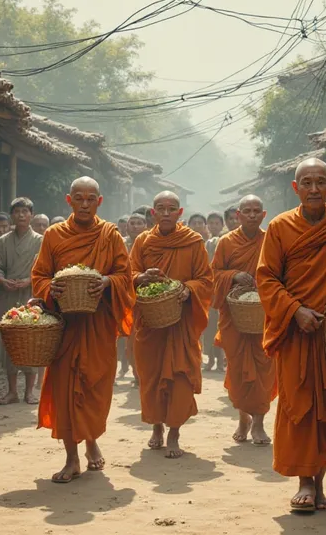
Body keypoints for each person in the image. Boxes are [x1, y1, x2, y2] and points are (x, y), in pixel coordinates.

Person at [256, 158, 326, 512]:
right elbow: (267, 278)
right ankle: (304, 482)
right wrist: (294, 311)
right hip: (297, 334)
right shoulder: (279, 227)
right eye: (306, 183)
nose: (314, 189)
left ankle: (319, 482)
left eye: (320, 182)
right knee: (299, 407)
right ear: (295, 189)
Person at [31, 177, 134, 483]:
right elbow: (39, 276)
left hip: (97, 325)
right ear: (69, 200)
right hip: (65, 326)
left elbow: (124, 276)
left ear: (99, 202)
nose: (85, 204)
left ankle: (91, 441)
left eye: (91, 199)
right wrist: (51, 286)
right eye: (80, 198)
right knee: (64, 391)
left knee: (94, 388)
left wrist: (106, 282)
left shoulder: (110, 234)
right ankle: (71, 458)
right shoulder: (53, 235)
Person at [130, 191, 213, 458]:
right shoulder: (143, 241)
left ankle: (174, 433)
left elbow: (205, 279)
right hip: (151, 323)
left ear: (180, 213)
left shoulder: (193, 242)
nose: (166, 213)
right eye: (160, 209)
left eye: (171, 209)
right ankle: (156, 427)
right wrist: (141, 277)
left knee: (180, 377)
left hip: (181, 323)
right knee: (151, 376)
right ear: (152, 214)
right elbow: (128, 274)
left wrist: (188, 289)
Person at [212, 194, 276, 445]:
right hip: (235, 317)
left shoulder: (271, 239)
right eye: (246, 211)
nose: (251, 215)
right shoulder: (226, 242)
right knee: (237, 369)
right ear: (237, 216)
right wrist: (234, 275)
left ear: (263, 215)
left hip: (264, 314)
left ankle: (259, 422)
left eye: (256, 211)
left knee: (265, 368)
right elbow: (214, 274)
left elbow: (281, 272)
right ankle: (243, 417)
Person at [0, 197, 43, 405]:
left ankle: (29, 392)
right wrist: (2, 280)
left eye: (25, 211)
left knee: (31, 343)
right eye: (17, 212)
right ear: (12, 215)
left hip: (31, 296)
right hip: (8, 296)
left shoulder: (40, 240)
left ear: (31, 215)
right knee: (9, 343)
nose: (21, 215)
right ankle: (12, 391)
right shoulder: (3, 241)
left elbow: (45, 268)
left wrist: (29, 280)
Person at [119, 212, 147, 384]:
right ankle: (135, 373)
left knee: (143, 338)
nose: (135, 226)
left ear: (145, 225)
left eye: (139, 223)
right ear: (127, 226)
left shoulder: (150, 242)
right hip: (124, 295)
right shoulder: (119, 242)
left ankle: (142, 375)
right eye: (132, 223)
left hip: (146, 295)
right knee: (128, 340)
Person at [204, 211, 226, 373]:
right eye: (211, 223)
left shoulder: (227, 241)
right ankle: (211, 358)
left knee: (222, 325)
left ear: (221, 224)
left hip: (223, 287)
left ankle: (220, 360)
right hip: (210, 290)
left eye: (217, 223)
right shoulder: (206, 243)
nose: (213, 226)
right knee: (210, 327)